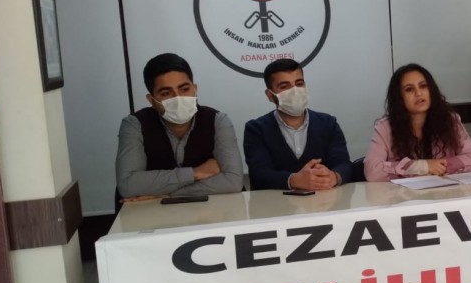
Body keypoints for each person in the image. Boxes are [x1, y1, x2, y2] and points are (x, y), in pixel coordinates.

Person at [115, 53, 243, 204]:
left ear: (195, 89)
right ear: (152, 100)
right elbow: (128, 185)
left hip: (209, 211)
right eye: (166, 93)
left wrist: (167, 193)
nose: (178, 98)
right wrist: (195, 173)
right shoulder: (134, 124)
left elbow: (233, 181)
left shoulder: (217, 120)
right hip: (151, 213)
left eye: (184, 89)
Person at [243, 59, 352, 190]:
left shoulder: (328, 123)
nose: (295, 91)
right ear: (270, 95)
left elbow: (344, 164)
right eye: (284, 86)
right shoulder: (256, 129)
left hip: (324, 199)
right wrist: (294, 180)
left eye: (299, 84)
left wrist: (333, 176)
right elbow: (259, 174)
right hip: (276, 202)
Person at [364, 63, 471, 181]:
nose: (419, 93)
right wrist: (423, 167)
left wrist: (440, 166)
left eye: (423, 86)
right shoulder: (385, 127)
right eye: (409, 89)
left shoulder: (450, 120)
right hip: (402, 192)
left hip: (445, 190)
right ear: (399, 97)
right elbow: (372, 171)